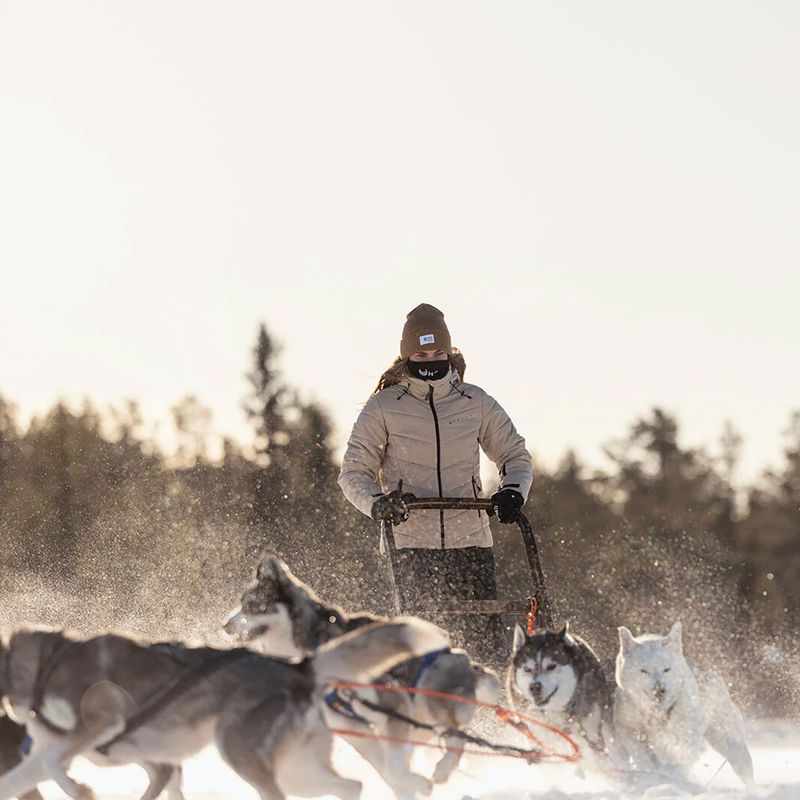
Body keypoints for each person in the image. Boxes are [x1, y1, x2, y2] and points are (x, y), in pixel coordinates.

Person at [338, 303, 533, 664]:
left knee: (484, 648)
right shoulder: (384, 407)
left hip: (470, 543)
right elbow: (353, 472)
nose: (431, 359)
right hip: (411, 546)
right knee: (420, 649)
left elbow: (515, 456)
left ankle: (493, 713)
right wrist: (377, 503)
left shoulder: (476, 403)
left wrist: (512, 491)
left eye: (438, 352)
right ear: (406, 356)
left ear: (449, 351)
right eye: (422, 352)